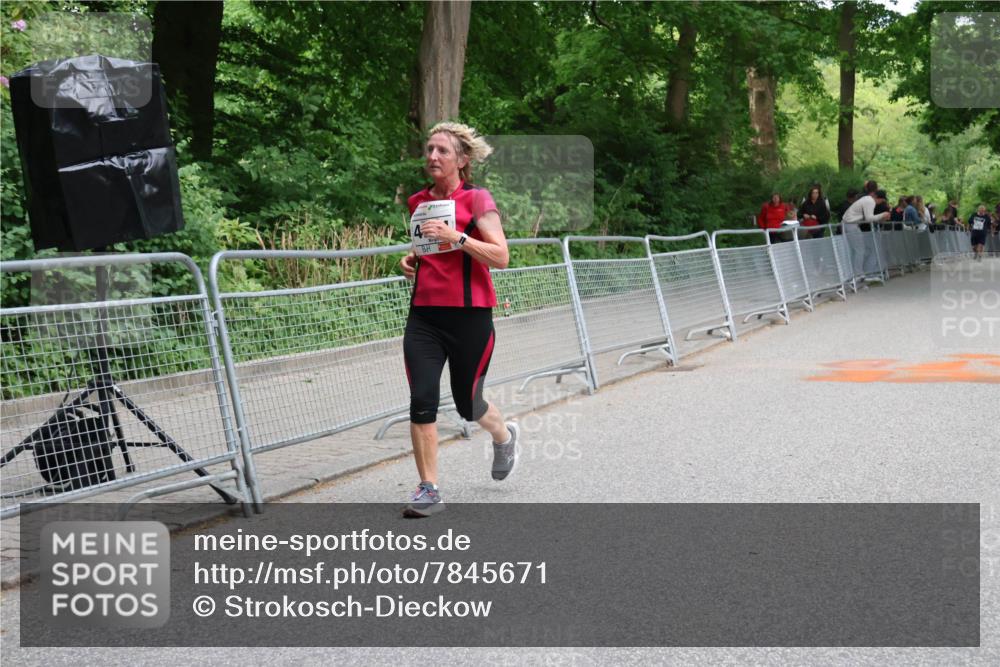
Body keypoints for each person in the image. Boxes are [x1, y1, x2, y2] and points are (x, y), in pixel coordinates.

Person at [398, 122, 519, 517]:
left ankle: (503, 436)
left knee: (469, 404)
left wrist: (458, 239)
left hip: (470, 319)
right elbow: (428, 250)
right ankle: (428, 489)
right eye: (429, 149)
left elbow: (501, 257)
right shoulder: (418, 201)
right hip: (424, 318)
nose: (432, 156)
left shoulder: (478, 200)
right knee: (422, 400)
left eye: (442, 151)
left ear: (462, 160)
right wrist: (412, 260)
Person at [841, 182, 890, 279]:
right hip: (851, 224)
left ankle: (858, 271)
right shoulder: (870, 201)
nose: (880, 203)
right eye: (882, 201)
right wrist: (883, 215)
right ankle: (858, 273)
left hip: (851, 224)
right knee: (860, 250)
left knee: (860, 249)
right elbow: (869, 218)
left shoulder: (866, 199)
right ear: (879, 198)